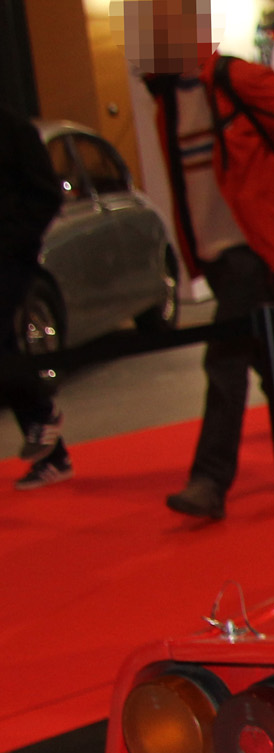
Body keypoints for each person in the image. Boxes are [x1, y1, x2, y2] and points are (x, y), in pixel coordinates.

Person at [128, 0, 274, 521]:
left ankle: (210, 479)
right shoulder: (168, 101)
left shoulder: (234, 79)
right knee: (269, 360)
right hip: (220, 257)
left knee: (224, 360)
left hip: (249, 248)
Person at [2, 104, 67, 490]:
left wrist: (13, 243)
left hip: (9, 258)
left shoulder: (12, 129)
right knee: (5, 347)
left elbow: (46, 195)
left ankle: (43, 419)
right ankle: (52, 451)